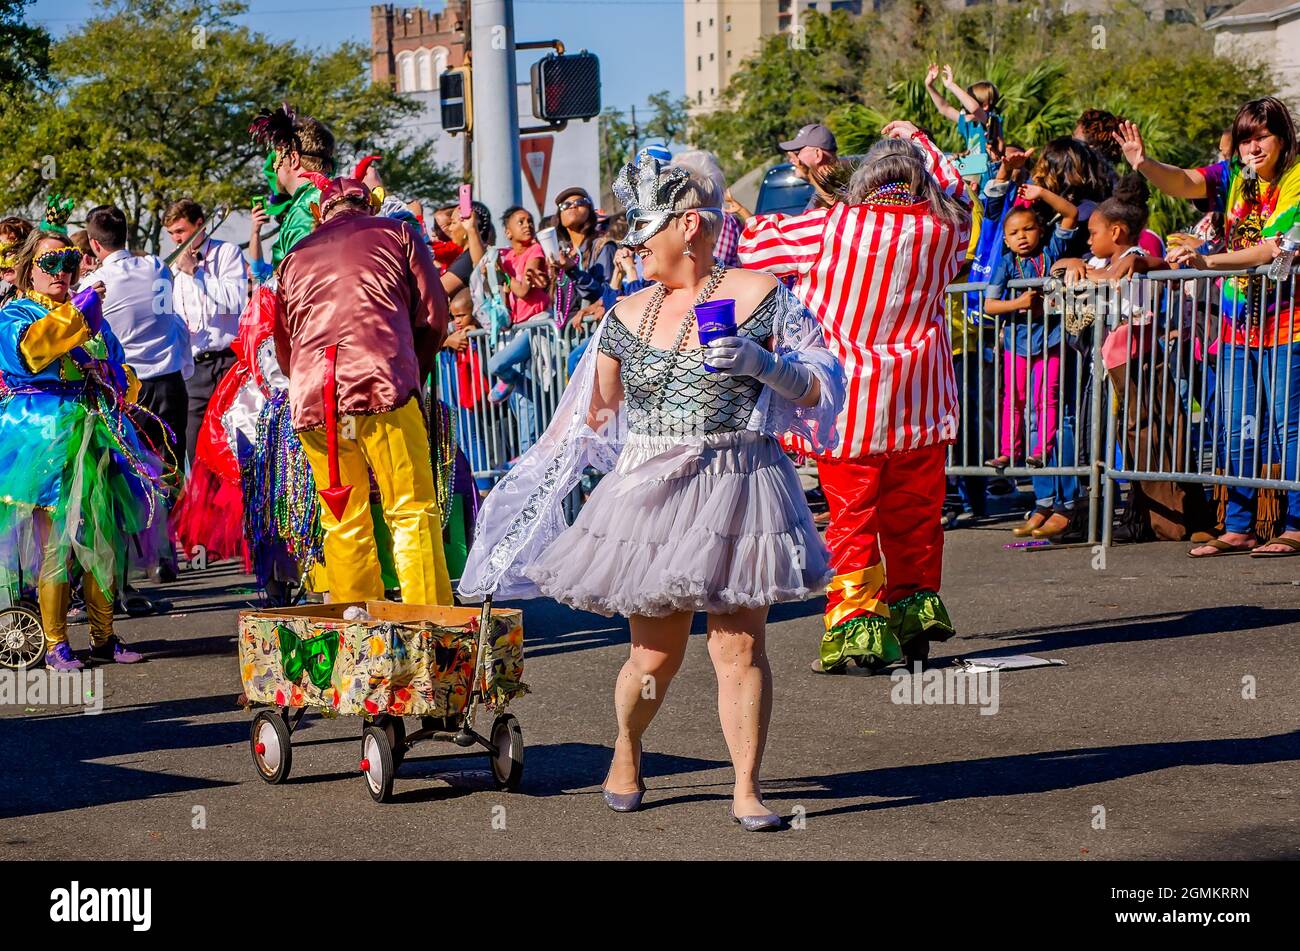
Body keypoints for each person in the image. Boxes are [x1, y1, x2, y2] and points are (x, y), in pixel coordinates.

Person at [459, 152, 843, 829]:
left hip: (739, 485)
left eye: (644, 233)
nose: (632, 248)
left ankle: (747, 787)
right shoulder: (627, 313)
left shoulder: (761, 294)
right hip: (654, 496)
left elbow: (822, 384)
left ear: (689, 224)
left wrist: (766, 365)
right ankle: (628, 743)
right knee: (654, 657)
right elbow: (596, 416)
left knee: (740, 647)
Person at [739, 120, 970, 674]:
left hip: (850, 406)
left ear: (864, 179)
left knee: (852, 520)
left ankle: (858, 634)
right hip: (922, 403)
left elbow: (749, 245)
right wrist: (919, 139)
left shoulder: (827, 227)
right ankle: (913, 628)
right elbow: (960, 188)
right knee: (916, 518)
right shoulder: (945, 228)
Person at [1119, 97, 1300, 557]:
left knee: (1288, 430)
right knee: (1238, 428)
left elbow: (1273, 247)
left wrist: (1208, 259)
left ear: (1283, 138)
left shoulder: (1297, 178)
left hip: (1288, 324)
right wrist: (1144, 163)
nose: (1253, 147)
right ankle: (1239, 526)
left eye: (1262, 136)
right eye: (1245, 139)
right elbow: (1184, 182)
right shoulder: (1232, 177)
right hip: (1238, 325)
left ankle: (1295, 524)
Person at [274, 176, 453, 604]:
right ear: (370, 204)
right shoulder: (397, 232)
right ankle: (427, 628)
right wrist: (414, 374)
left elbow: (285, 345)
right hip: (382, 386)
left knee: (342, 518)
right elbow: (434, 315)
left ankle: (357, 629)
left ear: (321, 212)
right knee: (411, 509)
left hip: (316, 401)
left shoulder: (293, 257)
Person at [0, 213, 167, 670]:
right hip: (44, 441)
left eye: (69, 260)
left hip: (98, 432)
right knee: (55, 543)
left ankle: (103, 635)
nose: (61, 271)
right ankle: (55, 642)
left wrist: (114, 375)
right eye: (50, 261)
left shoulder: (89, 314)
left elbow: (123, 372)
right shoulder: (16, 313)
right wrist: (79, 315)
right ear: (28, 268)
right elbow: (30, 352)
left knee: (101, 539)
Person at [1051, 176, 1213, 542]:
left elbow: (1133, 272)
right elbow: (1065, 266)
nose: (1089, 240)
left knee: (1151, 438)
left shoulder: (1135, 259)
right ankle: (1134, 517)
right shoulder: (1102, 258)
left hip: (1138, 361)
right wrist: (1074, 260)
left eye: (1093, 233)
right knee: (1130, 440)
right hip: (1113, 363)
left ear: (1118, 231)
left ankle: (1170, 517)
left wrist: (1099, 270)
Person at [84, 204, 191, 584]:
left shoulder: (93, 284)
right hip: (169, 381)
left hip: (128, 388)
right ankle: (163, 551)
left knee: (129, 471)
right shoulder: (158, 267)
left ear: (95, 245)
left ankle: (138, 557)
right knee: (169, 467)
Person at [982, 184, 1079, 476]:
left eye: (1027, 229)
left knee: (1047, 395)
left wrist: (1042, 193)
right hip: (1016, 342)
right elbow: (990, 304)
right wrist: (1019, 303)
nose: (1022, 237)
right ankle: (1009, 451)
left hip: (1050, 339)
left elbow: (1071, 213)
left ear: (1040, 229)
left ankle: (1042, 450)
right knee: (1014, 398)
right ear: (1007, 241)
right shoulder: (1006, 264)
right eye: (1014, 233)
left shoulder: (1052, 253)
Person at [163, 198, 248, 466]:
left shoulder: (228, 253)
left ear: (200, 225)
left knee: (233, 441)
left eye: (181, 231)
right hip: (194, 368)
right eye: (171, 234)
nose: (176, 240)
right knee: (194, 446)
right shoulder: (173, 266)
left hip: (228, 362)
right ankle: (203, 505)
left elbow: (236, 301)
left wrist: (197, 274)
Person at [247, 104, 336, 283]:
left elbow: (300, 284)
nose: (274, 167)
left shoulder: (306, 208)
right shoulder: (334, 195)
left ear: (293, 159)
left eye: (277, 158)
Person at [924, 63, 1003, 187]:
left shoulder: (990, 120)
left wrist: (951, 85)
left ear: (985, 106)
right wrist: (929, 85)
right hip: (972, 174)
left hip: (988, 177)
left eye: (966, 103)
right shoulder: (969, 123)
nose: (963, 108)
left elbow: (974, 108)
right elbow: (944, 108)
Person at [778, 122, 841, 211]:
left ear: (817, 154)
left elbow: (838, 208)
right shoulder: (817, 197)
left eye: (797, 153)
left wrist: (809, 175)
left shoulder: (847, 185)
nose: (792, 160)